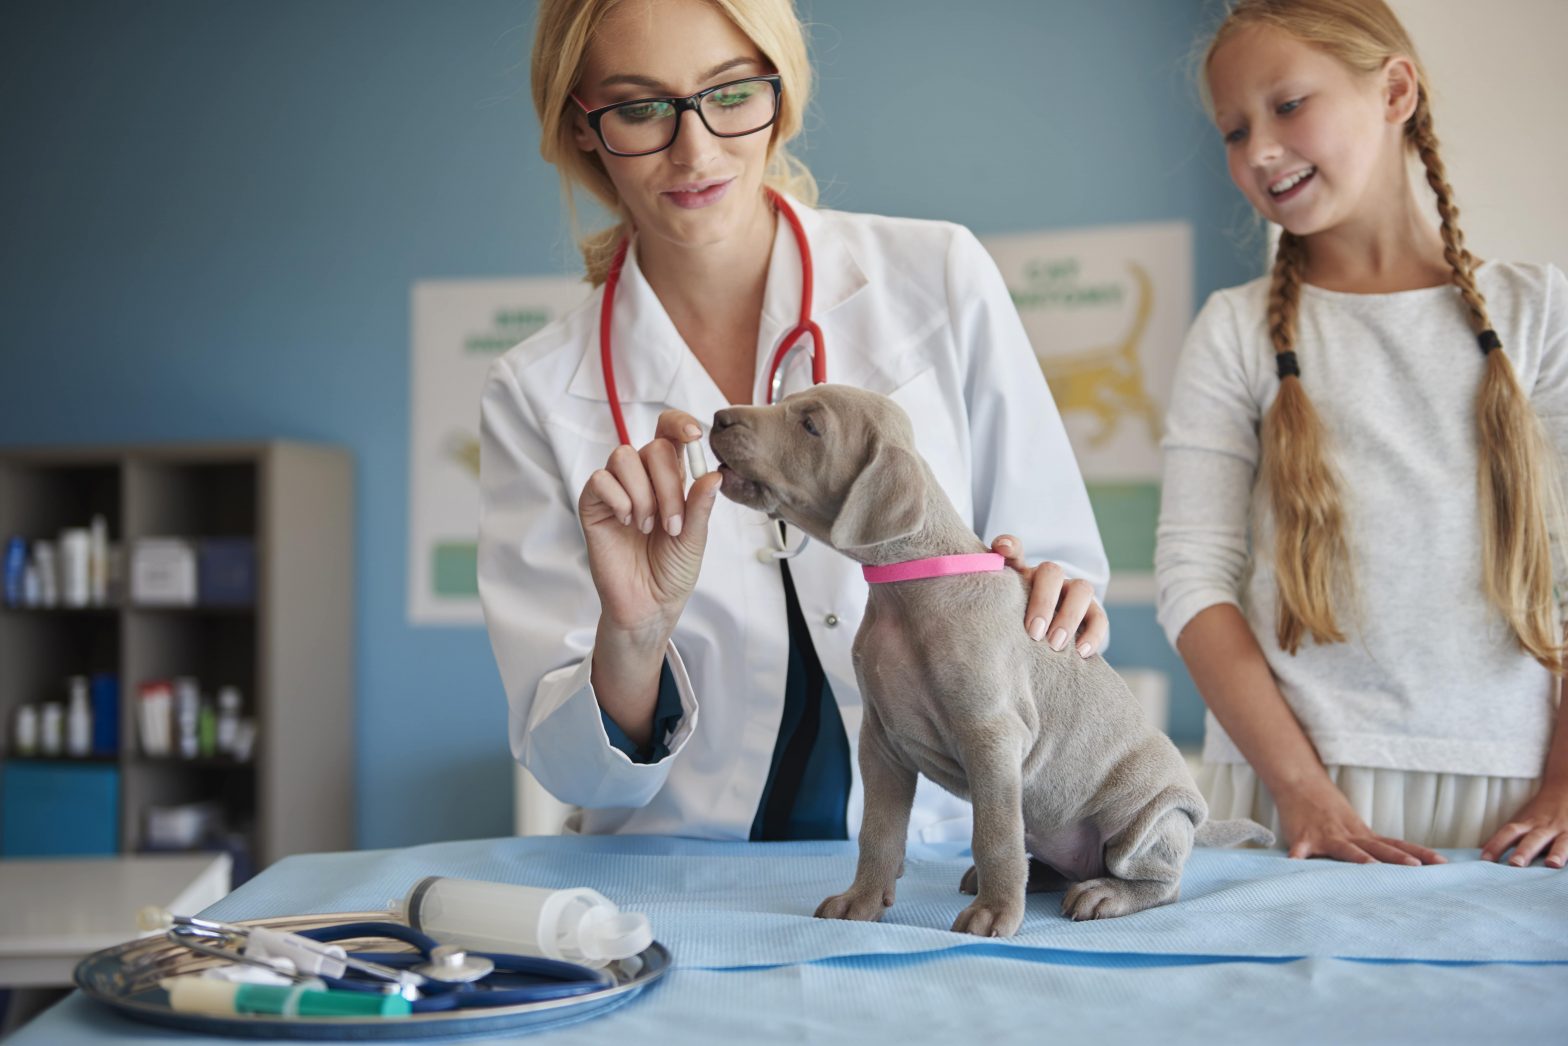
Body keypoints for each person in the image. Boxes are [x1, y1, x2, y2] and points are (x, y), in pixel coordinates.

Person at [478, 0, 1109, 842]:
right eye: (639, 108)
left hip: (944, 856)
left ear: (784, 86)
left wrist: (1055, 597)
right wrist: (633, 635)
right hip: (687, 877)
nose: (696, 151)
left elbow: (1058, 573)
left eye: (732, 93)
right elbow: (577, 772)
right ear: (583, 126)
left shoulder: (939, 277)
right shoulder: (535, 390)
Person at [1156, 0, 1568, 867]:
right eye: (1232, 130)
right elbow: (1194, 583)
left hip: (1516, 797)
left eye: (1288, 105)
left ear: (1395, 91)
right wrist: (1305, 795)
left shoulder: (1540, 313)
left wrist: (1566, 783)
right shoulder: (1232, 332)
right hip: (1294, 799)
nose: (1259, 148)